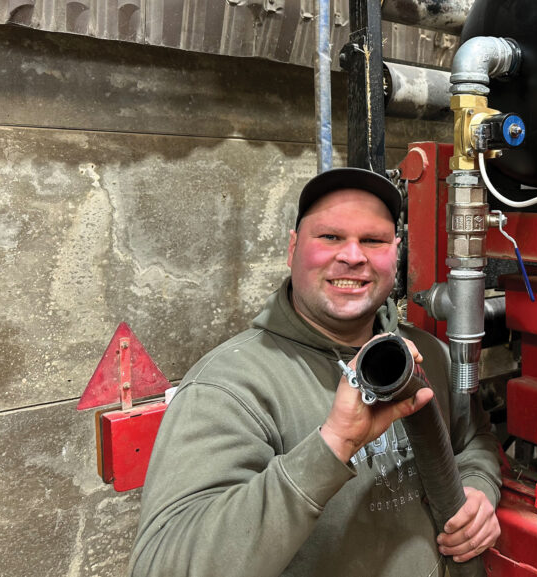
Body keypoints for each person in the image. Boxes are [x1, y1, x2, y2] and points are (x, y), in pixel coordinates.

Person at [130, 167, 502, 577]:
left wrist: (478, 487)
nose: (353, 256)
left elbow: (473, 440)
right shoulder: (229, 387)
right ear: (292, 249)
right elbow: (162, 567)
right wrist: (331, 446)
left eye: (373, 241)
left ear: (395, 253)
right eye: (330, 237)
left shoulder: (428, 353)